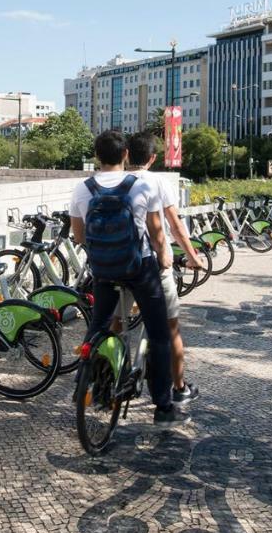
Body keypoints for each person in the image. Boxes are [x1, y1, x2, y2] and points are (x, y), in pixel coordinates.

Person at [71, 130, 185, 425]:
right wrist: (164, 256)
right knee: (159, 334)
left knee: (98, 327)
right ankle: (162, 408)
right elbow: (158, 234)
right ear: (125, 155)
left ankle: (91, 384)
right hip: (139, 269)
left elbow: (79, 236)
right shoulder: (140, 186)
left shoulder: (83, 189)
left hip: (104, 270)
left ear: (96, 157)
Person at [126, 132, 199, 406]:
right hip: (151, 266)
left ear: (126, 154)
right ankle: (178, 389)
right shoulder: (157, 181)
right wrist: (192, 256)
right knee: (170, 329)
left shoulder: (115, 180)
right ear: (153, 157)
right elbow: (173, 226)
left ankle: (108, 374)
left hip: (118, 263)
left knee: (116, 322)